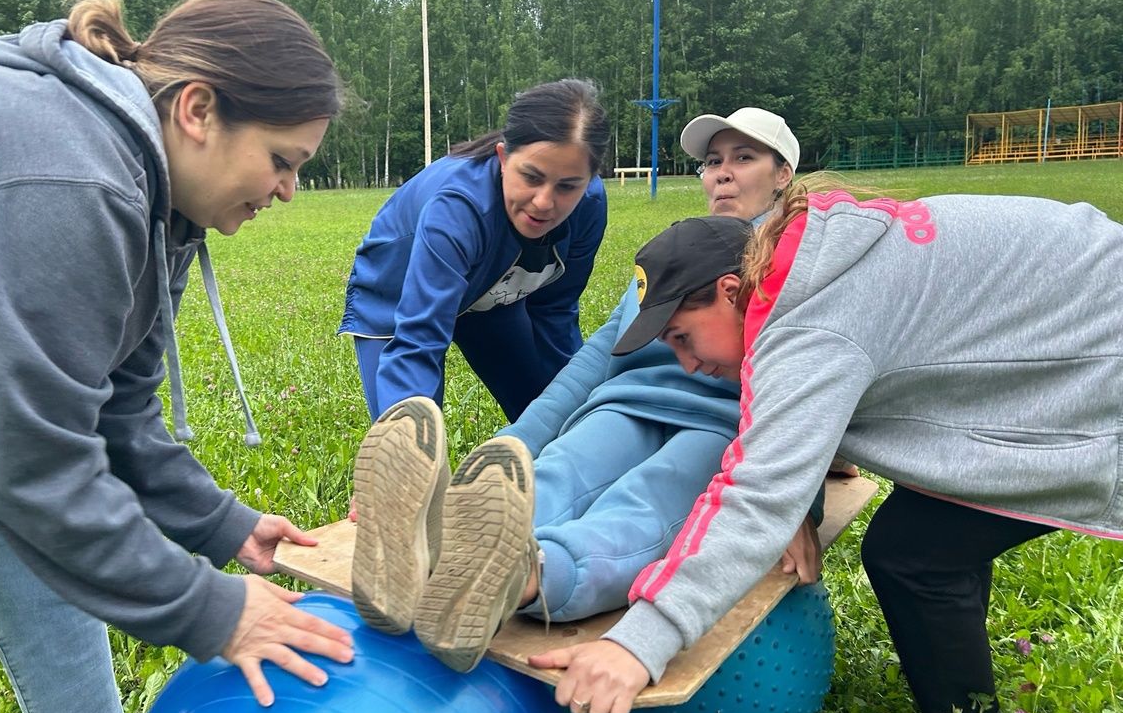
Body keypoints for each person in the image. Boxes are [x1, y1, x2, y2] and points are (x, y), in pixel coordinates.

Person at [0, 0, 355, 713]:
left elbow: (117, 408)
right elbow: (34, 465)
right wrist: (216, 612)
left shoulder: (159, 201)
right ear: (196, 110)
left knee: (48, 558)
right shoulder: (70, 180)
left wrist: (227, 528)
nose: (289, 190)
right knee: (48, 509)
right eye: (282, 159)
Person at [537, 188, 1123, 713]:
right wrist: (799, 493)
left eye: (684, 339)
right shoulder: (809, 262)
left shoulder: (811, 325)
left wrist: (640, 641)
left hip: (1098, 345)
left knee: (915, 552)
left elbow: (758, 496)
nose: (687, 364)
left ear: (731, 291)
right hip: (1081, 295)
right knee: (937, 530)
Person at [348, 108, 823, 665]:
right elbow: (595, 358)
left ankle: (524, 578)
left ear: (784, 172)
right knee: (558, 472)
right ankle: (433, 551)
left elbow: (822, 400)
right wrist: (517, 447)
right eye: (712, 161)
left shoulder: (810, 271)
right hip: (623, 405)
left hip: (729, 431)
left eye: (743, 158)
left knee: (646, 506)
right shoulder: (674, 251)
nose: (722, 173)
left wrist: (797, 504)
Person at [339, 79, 610, 425]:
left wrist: (573, 411)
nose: (544, 202)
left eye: (568, 186)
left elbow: (555, 310)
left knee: (551, 415)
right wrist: (411, 444)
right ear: (502, 157)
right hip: (395, 297)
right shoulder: (459, 207)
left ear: (589, 179)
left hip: (491, 297)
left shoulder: (588, 205)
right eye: (530, 176)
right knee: (410, 433)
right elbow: (418, 340)